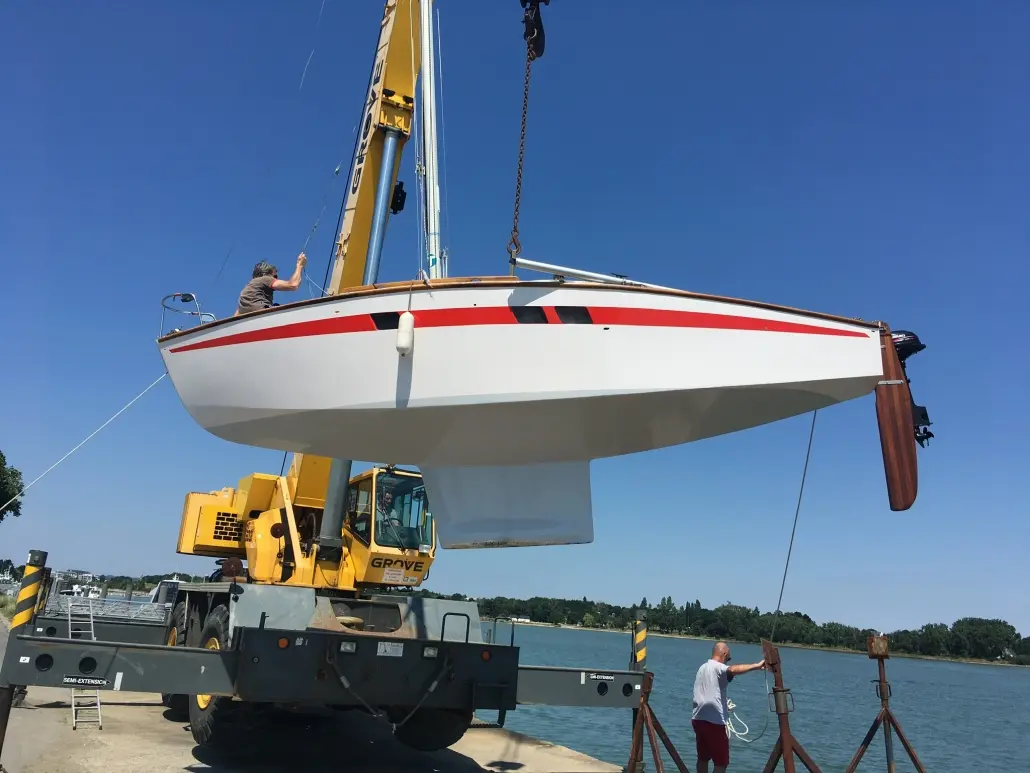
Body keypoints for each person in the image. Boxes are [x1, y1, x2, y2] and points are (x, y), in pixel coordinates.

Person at [691, 641, 765, 773]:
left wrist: (724, 706)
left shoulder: (702, 668)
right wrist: (756, 666)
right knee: (721, 763)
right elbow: (732, 670)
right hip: (714, 723)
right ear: (724, 655)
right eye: (728, 658)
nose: (727, 661)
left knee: (703, 758)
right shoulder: (719, 667)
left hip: (698, 719)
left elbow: (709, 693)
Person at [234, 252, 307, 316]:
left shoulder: (247, 288)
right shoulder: (265, 279)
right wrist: (299, 265)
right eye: (275, 277)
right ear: (266, 274)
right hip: (263, 315)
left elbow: (236, 316)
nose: (276, 279)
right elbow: (293, 285)